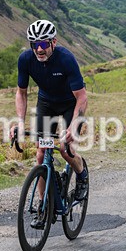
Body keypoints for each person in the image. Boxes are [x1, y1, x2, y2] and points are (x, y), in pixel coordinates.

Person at [12, 19, 89, 206]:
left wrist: (72, 127)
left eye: (43, 44)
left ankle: (82, 176)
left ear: (53, 42)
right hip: (46, 104)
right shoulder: (25, 59)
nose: (39, 49)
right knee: (40, 154)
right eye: (35, 44)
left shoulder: (66, 59)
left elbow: (82, 97)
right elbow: (21, 93)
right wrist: (20, 123)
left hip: (70, 104)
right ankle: (43, 205)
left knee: (64, 148)